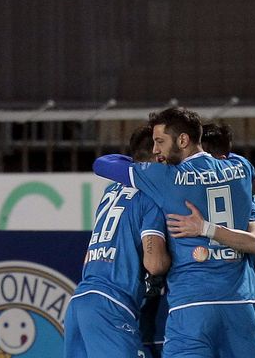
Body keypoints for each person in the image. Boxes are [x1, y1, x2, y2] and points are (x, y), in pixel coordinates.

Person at [92, 107, 255, 358]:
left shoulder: (167, 178)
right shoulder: (241, 166)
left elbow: (102, 164)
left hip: (192, 306)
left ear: (183, 140)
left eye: (160, 142)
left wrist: (144, 167)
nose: (156, 150)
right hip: (240, 305)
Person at [167, 123, 255, 357]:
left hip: (249, 306)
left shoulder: (242, 202)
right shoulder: (190, 199)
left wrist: (205, 228)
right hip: (218, 305)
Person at [64, 126, 171, 358]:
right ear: (157, 155)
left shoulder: (111, 191)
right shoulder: (151, 197)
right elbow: (154, 263)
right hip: (112, 305)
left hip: (80, 302)